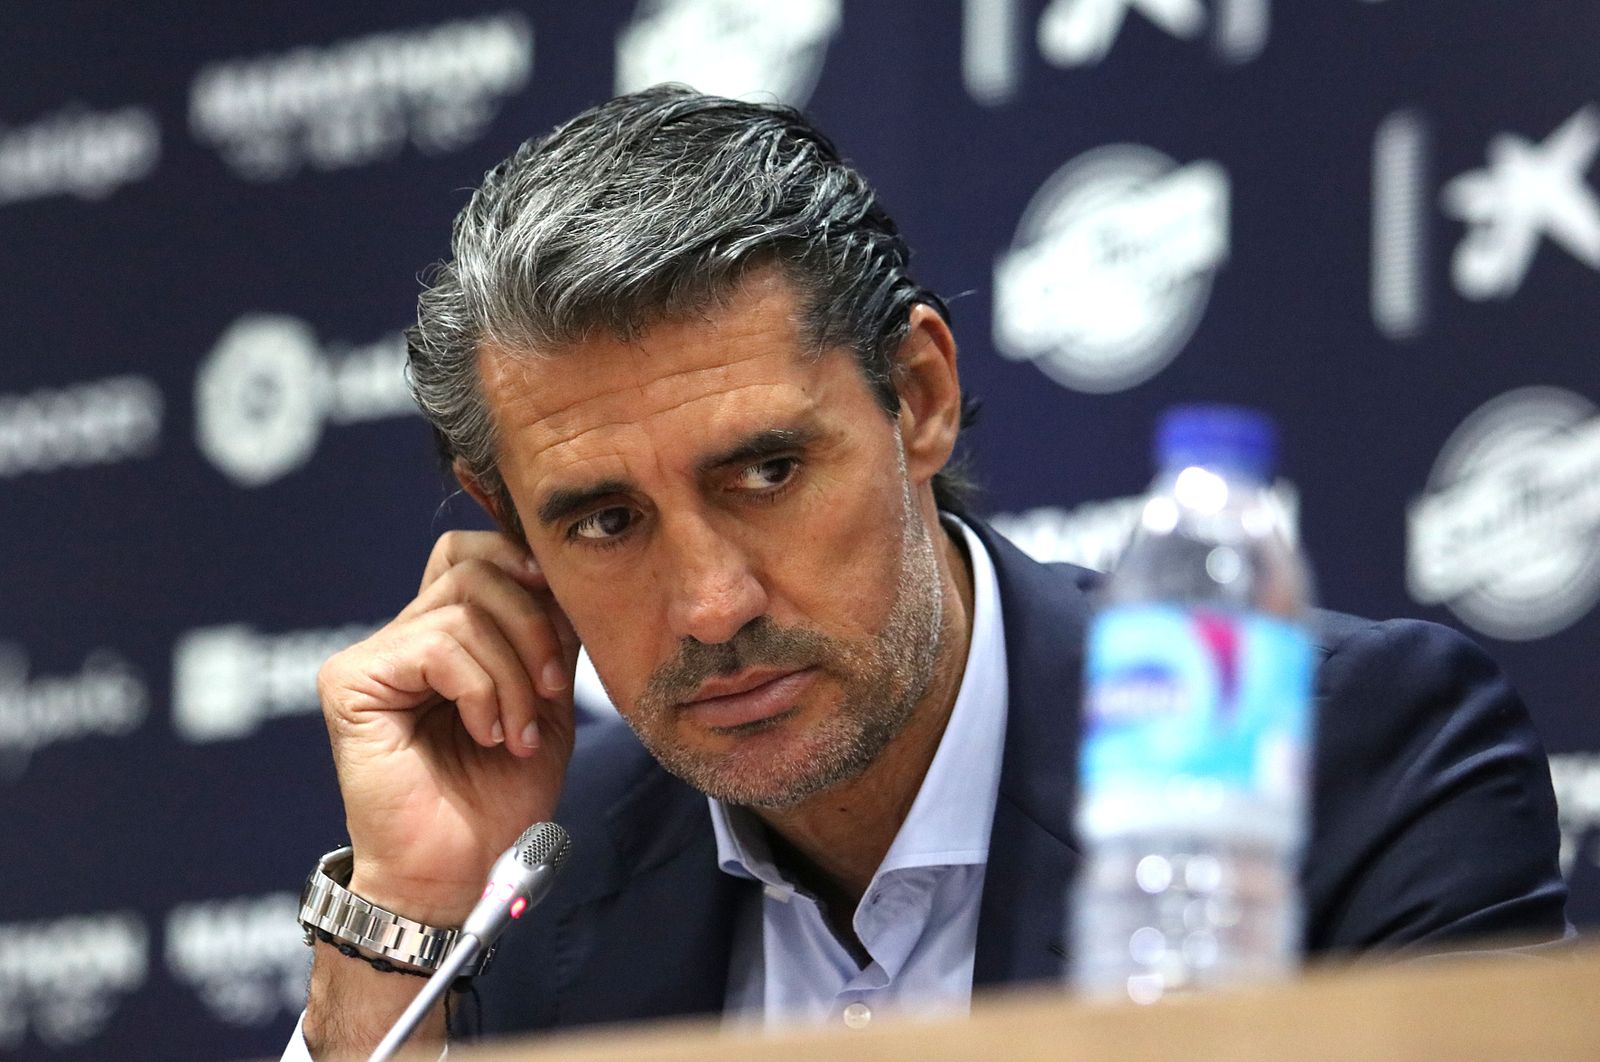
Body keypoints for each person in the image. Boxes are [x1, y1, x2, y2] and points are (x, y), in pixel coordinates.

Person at [285, 86, 1570, 1059]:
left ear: (919, 398)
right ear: (507, 531)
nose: (713, 605)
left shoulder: (1339, 755)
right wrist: (407, 913)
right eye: (605, 523)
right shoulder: (534, 877)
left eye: (767, 473)